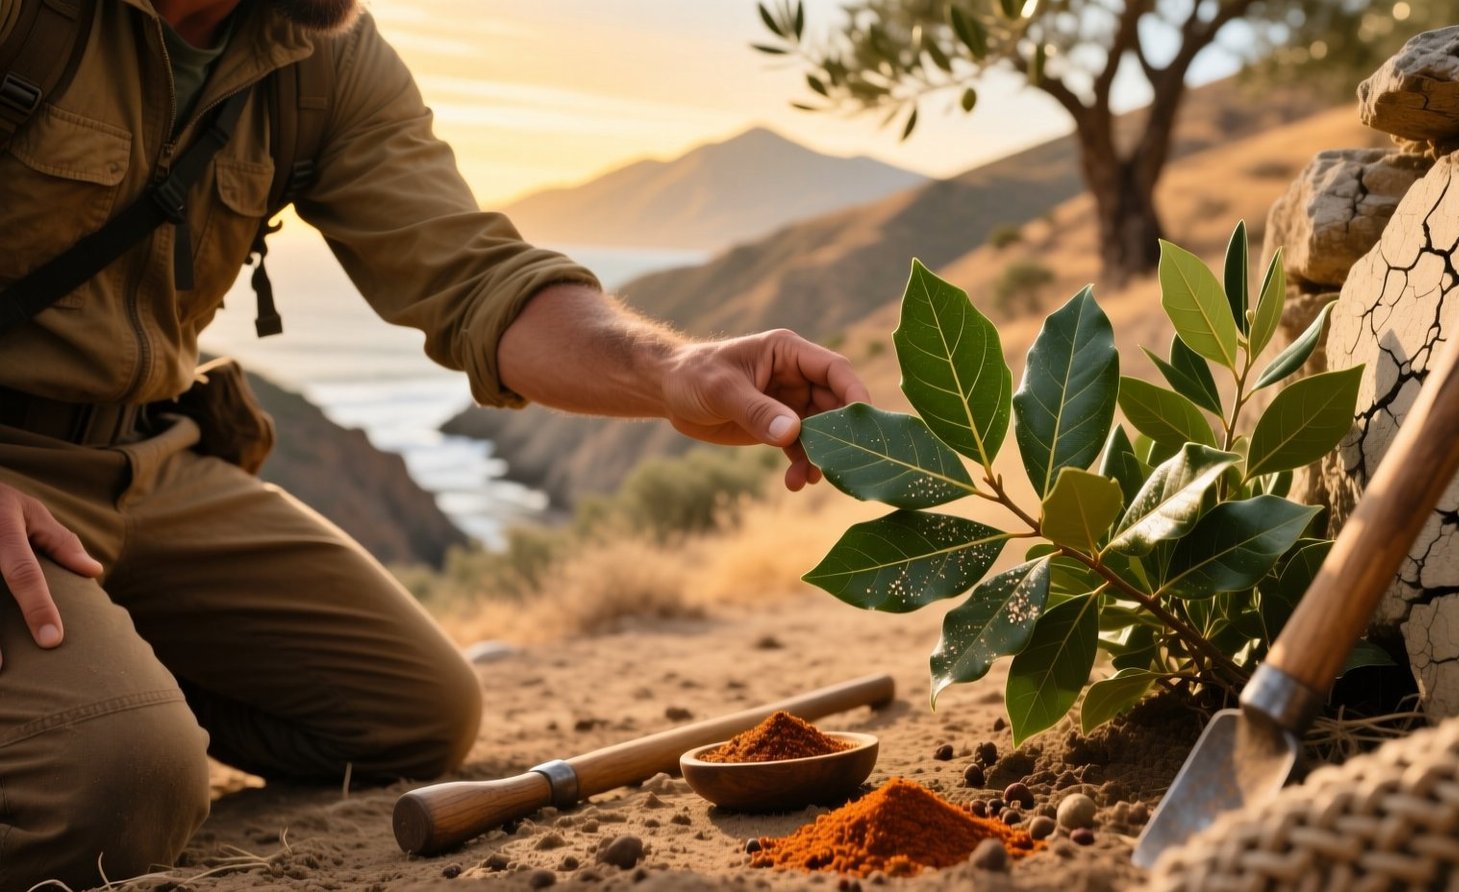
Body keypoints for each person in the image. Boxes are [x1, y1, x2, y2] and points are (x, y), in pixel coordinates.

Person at [0, 0, 868, 886]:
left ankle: (94, 677)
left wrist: (668, 367)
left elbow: (473, 276)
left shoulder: (321, 54)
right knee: (109, 788)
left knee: (409, 712)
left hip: (144, 456)